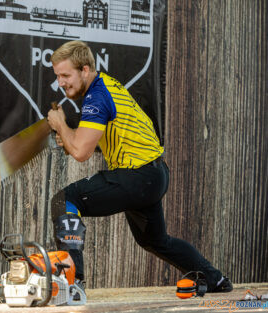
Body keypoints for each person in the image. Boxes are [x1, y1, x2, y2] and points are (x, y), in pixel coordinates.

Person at [46, 40, 232, 294]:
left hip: (138, 175)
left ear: (85, 70)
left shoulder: (97, 97)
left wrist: (60, 125)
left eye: (66, 75)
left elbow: (80, 152)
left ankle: (71, 284)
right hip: (153, 175)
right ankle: (215, 279)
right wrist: (68, 135)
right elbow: (82, 142)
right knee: (154, 240)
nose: (61, 82)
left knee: (65, 200)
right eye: (58, 76)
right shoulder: (105, 86)